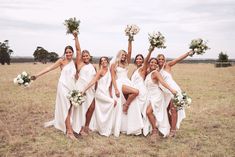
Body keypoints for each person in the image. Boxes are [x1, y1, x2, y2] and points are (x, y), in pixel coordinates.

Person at [31, 40, 77, 140]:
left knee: (70, 107)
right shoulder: (61, 61)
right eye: (67, 52)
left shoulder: (75, 62)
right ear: (65, 53)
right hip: (63, 86)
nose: (68, 54)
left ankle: (67, 125)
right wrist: (37, 75)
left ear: (73, 53)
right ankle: (69, 131)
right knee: (65, 106)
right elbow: (49, 68)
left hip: (72, 87)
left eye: (70, 52)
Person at [157, 50, 194, 137]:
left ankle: (173, 131)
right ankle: (169, 127)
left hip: (173, 90)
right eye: (159, 59)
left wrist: (188, 53)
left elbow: (178, 59)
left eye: (162, 59)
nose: (161, 60)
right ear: (157, 60)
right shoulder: (156, 70)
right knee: (166, 110)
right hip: (165, 93)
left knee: (173, 109)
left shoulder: (168, 65)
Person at [110, 40, 139, 137]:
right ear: (119, 55)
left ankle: (127, 124)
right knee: (136, 92)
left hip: (127, 82)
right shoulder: (114, 64)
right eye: (122, 55)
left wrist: (130, 39)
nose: (123, 57)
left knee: (135, 96)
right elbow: (113, 77)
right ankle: (125, 106)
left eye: (124, 55)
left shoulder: (126, 64)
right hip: (119, 84)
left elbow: (130, 52)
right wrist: (116, 89)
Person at [81, 56, 116, 136]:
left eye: (105, 60)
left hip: (106, 93)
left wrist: (111, 95)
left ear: (107, 61)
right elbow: (93, 81)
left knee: (105, 108)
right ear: (100, 63)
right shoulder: (100, 72)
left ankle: (104, 127)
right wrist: (84, 90)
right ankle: (103, 128)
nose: (103, 62)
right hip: (99, 93)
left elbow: (110, 86)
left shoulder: (110, 71)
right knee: (112, 102)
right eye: (102, 61)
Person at [144, 58, 176, 138]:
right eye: (152, 62)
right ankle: (154, 128)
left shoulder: (156, 73)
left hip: (157, 96)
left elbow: (162, 82)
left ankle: (155, 130)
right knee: (150, 112)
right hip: (150, 96)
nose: (153, 64)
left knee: (148, 112)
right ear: (149, 63)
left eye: (155, 63)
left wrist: (171, 90)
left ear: (157, 64)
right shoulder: (148, 73)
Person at [72, 32, 96, 135]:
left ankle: (86, 126)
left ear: (90, 56)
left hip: (90, 89)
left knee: (91, 107)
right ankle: (79, 127)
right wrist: (76, 37)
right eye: (84, 56)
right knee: (80, 109)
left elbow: (95, 79)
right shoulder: (80, 63)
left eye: (87, 56)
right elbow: (78, 50)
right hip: (81, 88)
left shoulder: (93, 66)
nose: (85, 57)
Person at [131, 47, 155, 136]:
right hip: (134, 90)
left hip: (141, 91)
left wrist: (150, 50)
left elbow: (147, 60)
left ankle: (142, 128)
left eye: (140, 59)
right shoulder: (134, 70)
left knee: (140, 110)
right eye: (137, 58)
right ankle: (137, 127)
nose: (138, 60)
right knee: (135, 110)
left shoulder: (143, 68)